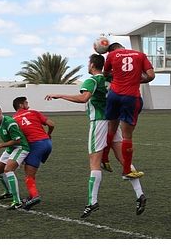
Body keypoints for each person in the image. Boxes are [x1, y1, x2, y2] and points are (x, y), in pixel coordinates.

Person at [45, 54, 147, 218]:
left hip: (98, 122)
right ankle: (140, 194)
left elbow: (84, 97)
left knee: (94, 163)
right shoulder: (113, 81)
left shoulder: (92, 80)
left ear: (92, 65)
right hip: (112, 123)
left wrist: (60, 95)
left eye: (88, 63)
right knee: (124, 161)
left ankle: (92, 202)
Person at [103, 42, 155, 180]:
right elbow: (151, 76)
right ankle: (126, 170)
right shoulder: (140, 55)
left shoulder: (112, 55)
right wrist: (138, 79)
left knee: (111, 129)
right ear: (123, 47)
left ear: (112, 50)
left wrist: (117, 77)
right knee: (127, 136)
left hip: (114, 95)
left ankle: (104, 158)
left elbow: (106, 73)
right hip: (131, 97)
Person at [0, 104, 30, 210]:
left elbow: (17, 140)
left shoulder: (9, 122)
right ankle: (8, 192)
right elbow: (1, 130)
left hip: (20, 147)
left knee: (8, 170)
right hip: (11, 148)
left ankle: (17, 202)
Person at [12, 96, 55, 210]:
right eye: (26, 103)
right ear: (21, 105)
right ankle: (31, 195)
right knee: (31, 171)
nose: (28, 105)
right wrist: (49, 133)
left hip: (36, 145)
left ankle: (34, 196)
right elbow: (51, 124)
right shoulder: (34, 112)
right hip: (47, 144)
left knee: (29, 175)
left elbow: (18, 138)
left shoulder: (14, 119)